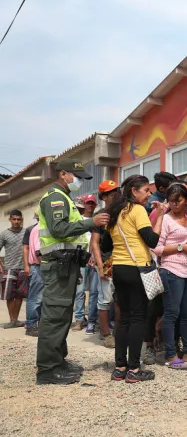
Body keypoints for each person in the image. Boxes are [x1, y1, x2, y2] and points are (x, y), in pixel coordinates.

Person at [35, 159, 109, 385]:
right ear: (63, 174)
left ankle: (59, 361)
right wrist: (91, 222)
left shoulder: (64, 197)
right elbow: (58, 230)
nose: (79, 181)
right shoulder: (56, 198)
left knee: (62, 316)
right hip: (57, 266)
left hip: (66, 265)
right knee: (54, 317)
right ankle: (48, 370)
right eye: (76, 176)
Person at [101, 175, 165, 383]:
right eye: (146, 190)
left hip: (119, 269)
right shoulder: (137, 210)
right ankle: (134, 369)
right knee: (138, 318)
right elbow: (153, 240)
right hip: (137, 268)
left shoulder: (114, 212)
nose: (149, 194)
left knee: (124, 318)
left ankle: (119, 367)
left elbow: (105, 247)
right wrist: (161, 215)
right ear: (133, 191)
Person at [153, 184, 187, 370]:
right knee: (172, 314)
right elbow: (156, 248)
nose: (174, 204)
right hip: (171, 271)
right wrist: (182, 248)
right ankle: (171, 355)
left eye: (178, 200)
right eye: (171, 201)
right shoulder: (165, 219)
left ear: (186, 200)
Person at [90, 180, 121, 348]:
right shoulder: (100, 216)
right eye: (111, 193)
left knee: (120, 299)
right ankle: (105, 334)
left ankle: (118, 332)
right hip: (107, 262)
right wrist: (100, 266)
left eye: (117, 191)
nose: (116, 195)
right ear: (104, 196)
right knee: (105, 300)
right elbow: (95, 243)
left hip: (122, 261)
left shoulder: (122, 212)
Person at [73, 194, 100, 333]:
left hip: (95, 258)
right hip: (81, 258)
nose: (90, 205)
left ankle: (92, 320)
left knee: (95, 291)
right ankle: (79, 319)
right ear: (83, 204)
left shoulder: (98, 220)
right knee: (80, 290)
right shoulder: (78, 220)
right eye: (87, 203)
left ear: (95, 205)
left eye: (92, 203)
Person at [0, 209, 26, 328]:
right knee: (10, 295)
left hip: (23, 267)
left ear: (22, 220)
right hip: (9, 268)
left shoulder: (26, 232)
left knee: (19, 295)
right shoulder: (4, 234)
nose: (16, 221)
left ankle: (16, 320)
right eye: (14, 219)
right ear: (10, 220)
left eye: (18, 219)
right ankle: (12, 320)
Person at [23, 208, 43, 337]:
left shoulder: (39, 228)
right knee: (35, 298)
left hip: (40, 267)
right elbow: (39, 251)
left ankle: (38, 324)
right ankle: (31, 325)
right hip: (39, 267)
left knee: (41, 298)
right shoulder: (39, 229)